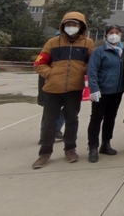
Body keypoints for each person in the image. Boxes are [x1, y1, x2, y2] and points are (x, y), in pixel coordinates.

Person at [32, 12, 95, 169]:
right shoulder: (52, 43)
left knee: (72, 120)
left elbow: (92, 63)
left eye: (74, 24)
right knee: (49, 122)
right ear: (63, 26)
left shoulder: (88, 43)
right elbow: (39, 63)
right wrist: (51, 74)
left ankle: (70, 149)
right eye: (68, 24)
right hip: (52, 89)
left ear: (81, 26)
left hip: (74, 89)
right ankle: (45, 153)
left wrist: (81, 71)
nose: (71, 27)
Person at [86, 25, 124, 163]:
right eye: (111, 33)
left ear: (121, 35)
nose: (114, 35)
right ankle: (93, 147)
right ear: (106, 35)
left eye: (117, 32)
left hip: (117, 91)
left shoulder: (123, 51)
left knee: (110, 118)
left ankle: (106, 143)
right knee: (96, 118)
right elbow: (92, 71)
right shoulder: (99, 51)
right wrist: (94, 88)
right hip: (101, 91)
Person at [37, 75, 64, 144]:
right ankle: (46, 135)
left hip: (63, 85)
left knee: (68, 109)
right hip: (49, 88)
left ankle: (53, 131)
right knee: (48, 113)